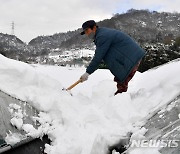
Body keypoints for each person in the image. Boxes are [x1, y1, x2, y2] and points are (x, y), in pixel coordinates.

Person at [80, 20, 145, 95]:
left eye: (87, 30)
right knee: (120, 79)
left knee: (121, 80)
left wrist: (88, 72)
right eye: (85, 32)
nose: (87, 34)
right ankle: (118, 100)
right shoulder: (102, 34)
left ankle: (120, 102)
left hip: (131, 57)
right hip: (130, 57)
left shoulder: (102, 36)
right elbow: (102, 57)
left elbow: (98, 56)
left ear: (94, 27)